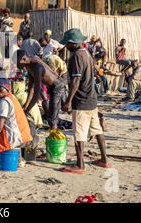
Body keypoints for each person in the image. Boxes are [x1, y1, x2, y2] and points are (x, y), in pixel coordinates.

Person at [60, 28, 109, 174]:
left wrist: (68, 101)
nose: (66, 47)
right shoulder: (87, 53)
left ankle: (80, 165)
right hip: (91, 98)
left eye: (67, 44)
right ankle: (104, 160)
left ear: (73, 44)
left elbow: (75, 81)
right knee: (97, 130)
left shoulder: (76, 57)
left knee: (79, 133)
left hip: (81, 100)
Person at [17, 50, 65, 130]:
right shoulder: (29, 64)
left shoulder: (37, 67)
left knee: (53, 114)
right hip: (51, 86)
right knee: (48, 108)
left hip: (57, 85)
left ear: (24, 59)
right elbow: (31, 87)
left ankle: (54, 134)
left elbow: (36, 94)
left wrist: (27, 110)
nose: (17, 66)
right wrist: (26, 104)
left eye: (18, 64)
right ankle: (53, 126)